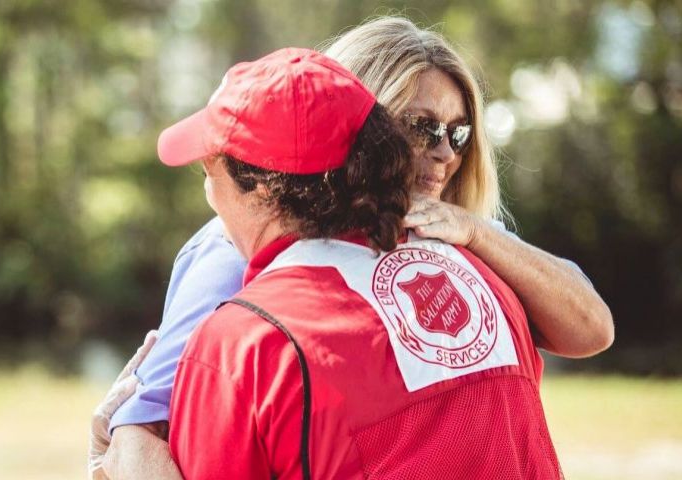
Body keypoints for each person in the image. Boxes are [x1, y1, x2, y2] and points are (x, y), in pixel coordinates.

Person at [91, 16, 613, 479]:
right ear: (358, 128)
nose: (444, 154)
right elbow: (147, 420)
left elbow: (592, 327)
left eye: (458, 134)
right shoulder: (228, 252)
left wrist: (475, 231)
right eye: (421, 127)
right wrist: (128, 434)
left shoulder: (463, 243)